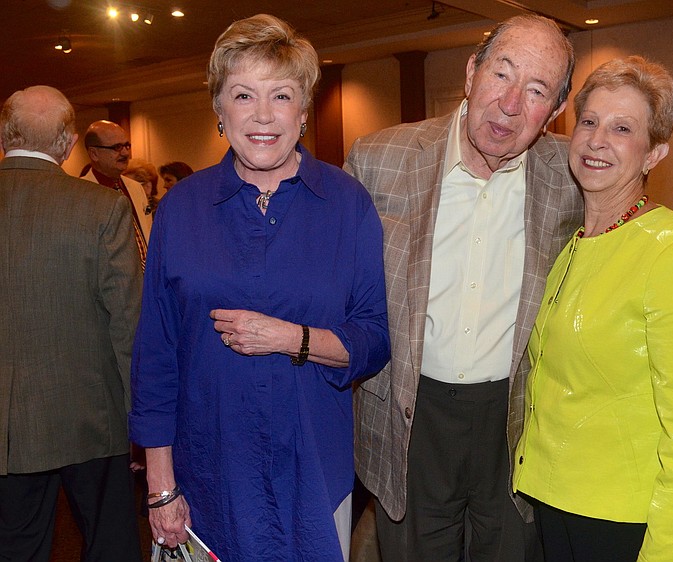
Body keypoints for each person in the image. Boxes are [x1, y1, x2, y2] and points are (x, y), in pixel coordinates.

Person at [128, 14, 390, 562]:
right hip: (207, 478)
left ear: (303, 109)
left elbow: (371, 340)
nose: (264, 116)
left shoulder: (347, 204)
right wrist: (160, 486)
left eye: (282, 95)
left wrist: (292, 338)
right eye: (244, 95)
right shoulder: (181, 209)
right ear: (220, 110)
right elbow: (157, 357)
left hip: (315, 474)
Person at [345, 14, 584, 561]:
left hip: (514, 417)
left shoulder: (571, 176)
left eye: (537, 91)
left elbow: (635, 239)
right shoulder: (379, 160)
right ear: (472, 72)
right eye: (502, 75)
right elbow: (323, 274)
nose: (511, 103)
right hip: (410, 410)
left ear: (555, 110)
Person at [512, 56, 673, 562]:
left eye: (622, 128)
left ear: (654, 152)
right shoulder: (573, 245)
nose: (597, 140)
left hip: (623, 522)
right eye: (589, 122)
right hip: (554, 503)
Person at [0, 85, 143, 561]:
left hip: (6, 429)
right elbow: (128, 323)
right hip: (91, 418)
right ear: (67, 142)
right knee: (110, 545)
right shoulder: (100, 208)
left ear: (4, 134)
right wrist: (145, 423)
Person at [82, 120, 153, 266]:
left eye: (127, 145)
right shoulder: (80, 193)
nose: (126, 153)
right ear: (94, 153)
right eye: (117, 147)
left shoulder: (135, 188)